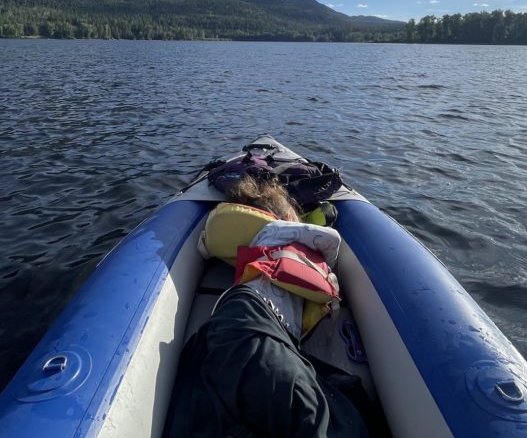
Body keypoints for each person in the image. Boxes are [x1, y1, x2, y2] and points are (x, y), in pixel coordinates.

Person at [163, 176, 380, 438]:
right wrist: (309, 222)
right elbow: (331, 242)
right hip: (251, 318)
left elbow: (206, 245)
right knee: (313, 419)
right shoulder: (274, 232)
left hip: (244, 324)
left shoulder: (265, 246)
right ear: (287, 215)